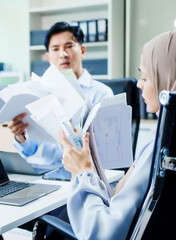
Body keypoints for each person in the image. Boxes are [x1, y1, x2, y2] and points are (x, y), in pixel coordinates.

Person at [54, 30, 176, 239]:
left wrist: (82, 172)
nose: (138, 84)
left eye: (145, 77)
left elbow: (103, 232)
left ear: (165, 78)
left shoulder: (161, 148)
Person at [9, 22, 113, 167]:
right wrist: (20, 135)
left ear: (82, 50)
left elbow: (107, 148)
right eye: (55, 49)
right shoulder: (40, 92)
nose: (63, 54)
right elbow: (29, 151)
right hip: (46, 172)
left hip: (84, 173)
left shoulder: (102, 93)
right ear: (49, 57)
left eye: (69, 47)